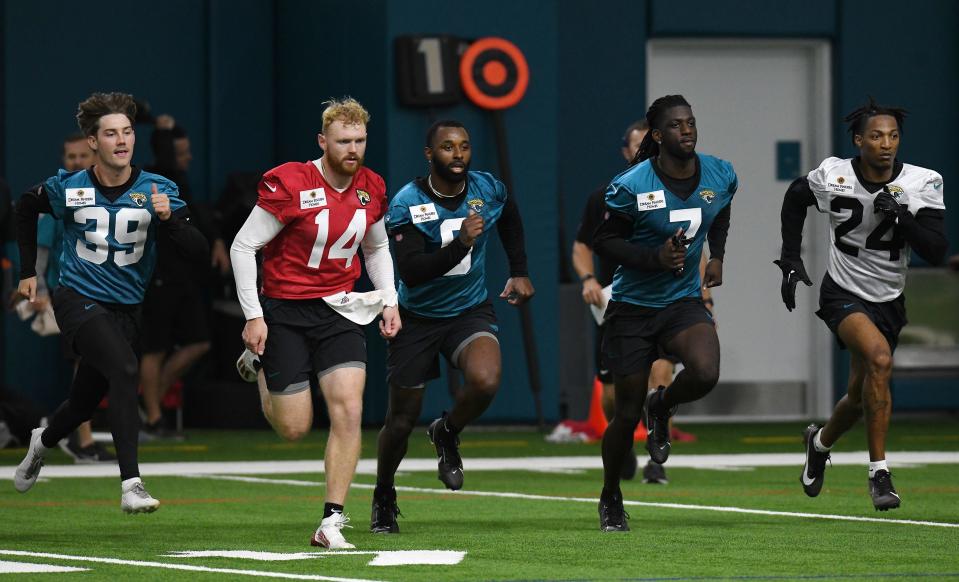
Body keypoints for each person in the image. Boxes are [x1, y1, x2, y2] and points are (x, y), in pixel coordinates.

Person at [13, 92, 208, 512]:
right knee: (125, 368)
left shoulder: (158, 188)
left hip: (126, 308)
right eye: (110, 133)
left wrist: (170, 219)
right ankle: (131, 484)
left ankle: (42, 440)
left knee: (84, 399)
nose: (121, 140)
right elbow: (25, 208)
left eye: (127, 132)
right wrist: (28, 271)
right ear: (93, 142)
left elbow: (198, 248)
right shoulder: (70, 187)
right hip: (76, 296)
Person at [230, 97, 401, 549]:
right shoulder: (291, 181)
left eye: (360, 140)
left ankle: (332, 521)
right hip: (285, 310)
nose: (353, 149)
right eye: (344, 141)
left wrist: (389, 299)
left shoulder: (371, 187)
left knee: (349, 407)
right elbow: (243, 247)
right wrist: (254, 315)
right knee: (294, 427)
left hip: (340, 308)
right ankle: (260, 364)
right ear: (323, 141)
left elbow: (376, 248)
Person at [776, 98, 947, 511]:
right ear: (858, 140)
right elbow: (795, 197)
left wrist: (903, 217)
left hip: (889, 297)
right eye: (876, 136)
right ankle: (879, 473)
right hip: (842, 292)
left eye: (892, 136)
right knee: (880, 360)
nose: (886, 144)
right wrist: (791, 259)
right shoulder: (834, 174)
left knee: (858, 395)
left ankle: (818, 444)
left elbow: (938, 251)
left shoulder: (922, 182)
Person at [370, 120, 534, 534]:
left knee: (485, 379)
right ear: (429, 155)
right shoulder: (406, 202)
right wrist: (459, 243)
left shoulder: (487, 189)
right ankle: (384, 493)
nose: (457, 154)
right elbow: (411, 269)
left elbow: (510, 215)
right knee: (401, 420)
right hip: (417, 318)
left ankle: (447, 431)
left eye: (464, 146)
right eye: (446, 147)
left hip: (468, 310)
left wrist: (518, 270)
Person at [592, 95, 736, 531]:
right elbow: (605, 242)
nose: (687, 130)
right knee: (625, 412)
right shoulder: (633, 184)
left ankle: (664, 405)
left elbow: (721, 208)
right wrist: (654, 257)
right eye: (676, 125)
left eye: (691, 122)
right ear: (658, 135)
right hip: (634, 308)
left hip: (681, 302)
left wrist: (717, 257)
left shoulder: (719, 172)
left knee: (706, 371)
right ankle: (611, 494)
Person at [572, 120, 708, 485]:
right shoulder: (607, 194)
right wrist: (588, 279)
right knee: (616, 394)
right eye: (638, 145)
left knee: (661, 374)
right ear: (626, 151)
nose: (644, 151)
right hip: (620, 299)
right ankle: (623, 442)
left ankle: (656, 455)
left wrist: (704, 289)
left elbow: (696, 238)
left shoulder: (682, 189)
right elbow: (584, 244)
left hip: (669, 297)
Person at [139, 114, 224, 438]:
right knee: (155, 348)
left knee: (199, 342)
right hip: (158, 275)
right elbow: (164, 158)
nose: (188, 156)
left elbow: (196, 217)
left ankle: (151, 402)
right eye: (181, 151)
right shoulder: (157, 178)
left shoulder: (180, 185)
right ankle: (153, 418)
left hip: (184, 276)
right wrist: (161, 132)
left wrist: (215, 238)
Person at [35, 134, 116, 462]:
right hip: (71, 291)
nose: (77, 161)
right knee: (87, 360)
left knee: (98, 361)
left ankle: (65, 428)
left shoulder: (106, 192)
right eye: (71, 156)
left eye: (83, 155)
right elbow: (42, 248)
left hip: (106, 291)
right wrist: (38, 287)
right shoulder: (60, 195)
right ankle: (81, 438)